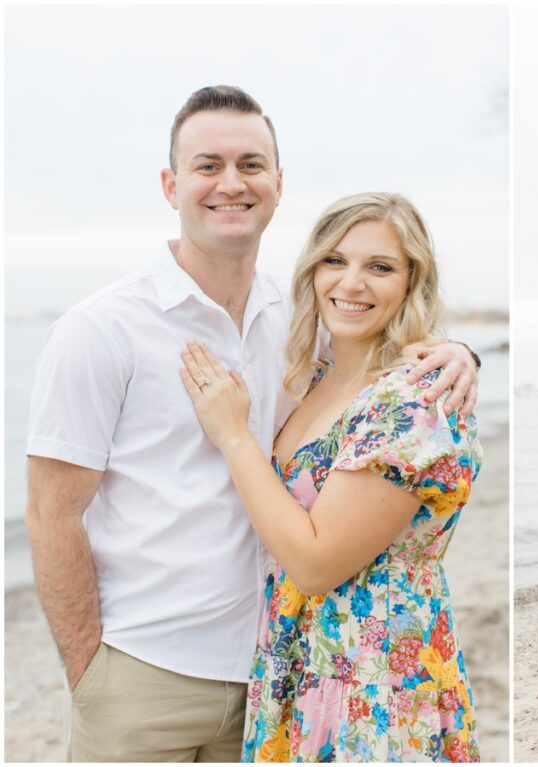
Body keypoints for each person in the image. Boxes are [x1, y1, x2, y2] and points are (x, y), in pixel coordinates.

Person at [25, 86, 479, 762]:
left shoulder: (301, 332)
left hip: (281, 678)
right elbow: (50, 512)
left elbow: (385, 382)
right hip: (145, 676)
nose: (230, 183)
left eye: (251, 164)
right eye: (208, 164)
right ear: (170, 183)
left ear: (277, 184)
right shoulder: (102, 329)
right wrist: (90, 674)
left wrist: (461, 353)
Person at [179, 192, 482, 762]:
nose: (352, 283)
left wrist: (235, 437)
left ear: (413, 281)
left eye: (381, 267)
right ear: (311, 270)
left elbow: (317, 565)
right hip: (301, 664)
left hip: (371, 683)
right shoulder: (317, 378)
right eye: (335, 261)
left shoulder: (410, 399)